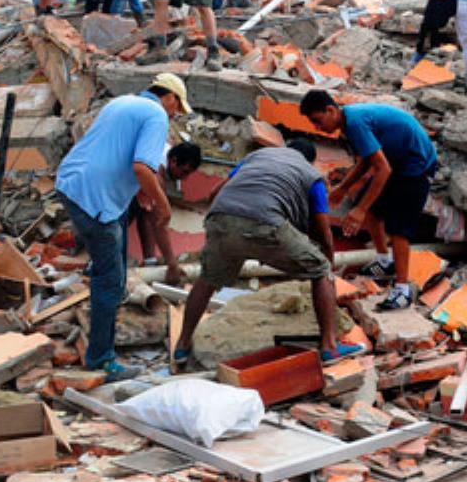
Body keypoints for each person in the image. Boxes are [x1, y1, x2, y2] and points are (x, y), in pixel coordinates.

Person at [173, 139, 365, 368]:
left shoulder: (257, 157)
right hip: (266, 221)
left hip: (220, 218)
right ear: (310, 160)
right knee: (321, 269)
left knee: (207, 279)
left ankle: (182, 346)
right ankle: (330, 348)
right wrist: (328, 266)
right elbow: (323, 231)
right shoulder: (310, 175)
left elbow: (216, 191)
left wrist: (222, 224)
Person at [56, 73, 191, 381]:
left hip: (71, 182)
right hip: (95, 199)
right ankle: (101, 360)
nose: (174, 114)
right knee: (112, 281)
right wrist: (163, 203)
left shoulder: (122, 102)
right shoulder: (156, 114)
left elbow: (121, 154)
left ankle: (97, 279)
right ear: (168, 96)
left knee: (111, 253)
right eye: (176, 107)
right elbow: (141, 167)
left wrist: (143, 190)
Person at [301, 91, 438, 311]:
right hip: (396, 161)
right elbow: (368, 159)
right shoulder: (349, 122)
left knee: (399, 229)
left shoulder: (355, 123)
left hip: (416, 166)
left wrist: (359, 210)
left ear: (330, 110)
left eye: (317, 121)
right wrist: (343, 188)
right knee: (374, 210)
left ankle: (402, 290)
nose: (317, 128)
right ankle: (384, 262)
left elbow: (382, 168)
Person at [130, 142, 202, 284]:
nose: (185, 178)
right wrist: (172, 264)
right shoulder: (156, 170)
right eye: (184, 172)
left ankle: (149, 260)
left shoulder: (169, 155)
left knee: (145, 208)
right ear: (173, 161)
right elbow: (158, 223)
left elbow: (147, 214)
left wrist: (150, 262)